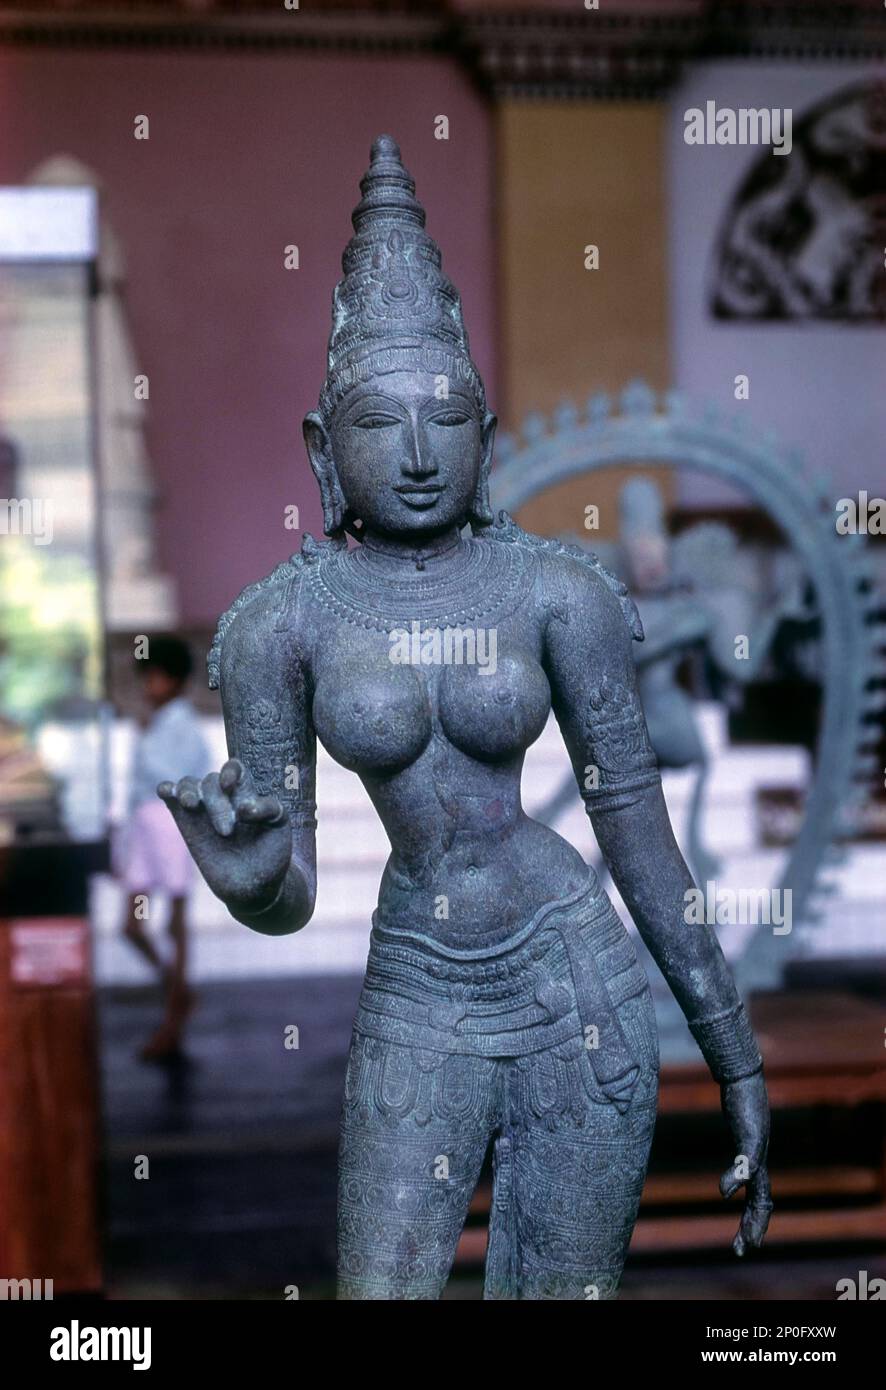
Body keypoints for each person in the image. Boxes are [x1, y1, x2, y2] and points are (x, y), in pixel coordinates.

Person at [159, 137, 771, 1298]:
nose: (421, 453)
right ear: (320, 449)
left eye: (449, 420)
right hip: (419, 984)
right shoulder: (276, 626)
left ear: (485, 439)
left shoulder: (558, 593)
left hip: (577, 978)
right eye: (379, 423)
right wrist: (249, 876)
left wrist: (732, 1050)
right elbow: (286, 901)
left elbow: (640, 841)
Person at [119, 635, 210, 1060]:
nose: (147, 686)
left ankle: (173, 1020)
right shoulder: (159, 722)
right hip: (145, 827)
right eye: (145, 677)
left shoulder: (181, 724)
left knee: (174, 924)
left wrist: (145, 734)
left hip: (171, 827)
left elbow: (177, 778)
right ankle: (179, 990)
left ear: (173, 680)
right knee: (133, 924)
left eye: (153, 677)